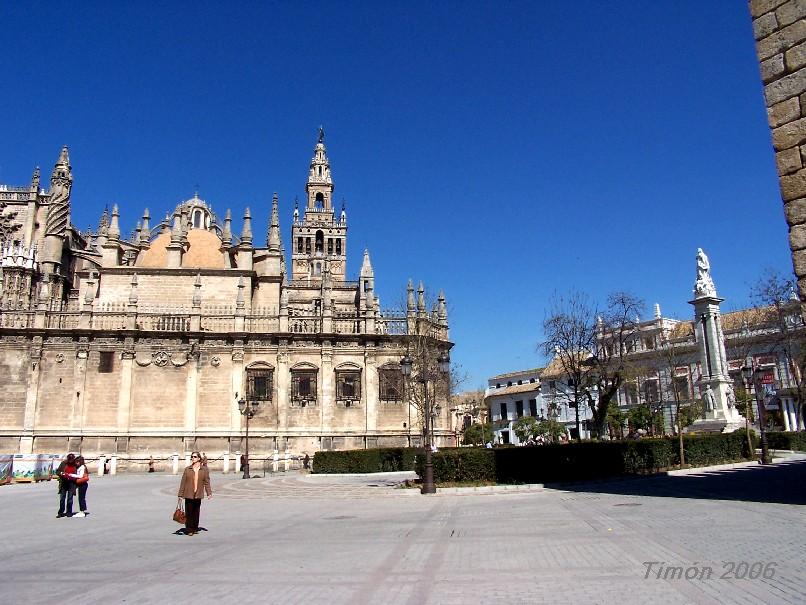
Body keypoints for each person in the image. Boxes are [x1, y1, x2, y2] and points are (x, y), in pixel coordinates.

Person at [177, 451, 212, 536]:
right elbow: (183, 482)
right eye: (192, 457)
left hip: (198, 493)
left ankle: (195, 528)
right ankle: (189, 529)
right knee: (189, 512)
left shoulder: (204, 470)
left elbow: (207, 482)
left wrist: (209, 493)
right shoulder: (187, 469)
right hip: (188, 493)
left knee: (196, 512)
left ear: (199, 458)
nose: (193, 458)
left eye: (195, 457)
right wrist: (180, 494)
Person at [55, 453, 77, 518]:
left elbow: (78, 473)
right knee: (62, 498)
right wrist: (62, 473)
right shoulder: (63, 463)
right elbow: (58, 471)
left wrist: (73, 476)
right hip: (64, 483)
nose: (71, 461)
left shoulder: (75, 465)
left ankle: (69, 512)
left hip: (71, 483)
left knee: (70, 499)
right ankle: (61, 512)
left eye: (72, 459)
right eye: (70, 459)